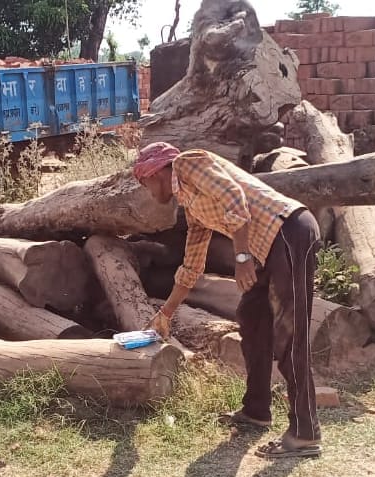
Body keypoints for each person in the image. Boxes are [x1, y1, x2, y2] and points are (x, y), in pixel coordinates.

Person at [136, 142, 324, 460]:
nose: (147, 191)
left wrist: (241, 256)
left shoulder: (187, 163)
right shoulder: (193, 206)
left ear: (157, 171)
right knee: (252, 320)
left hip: (290, 233)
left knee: (289, 335)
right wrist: (164, 314)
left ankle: (305, 433)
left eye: (145, 182)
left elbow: (234, 197)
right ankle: (257, 411)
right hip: (268, 249)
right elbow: (192, 266)